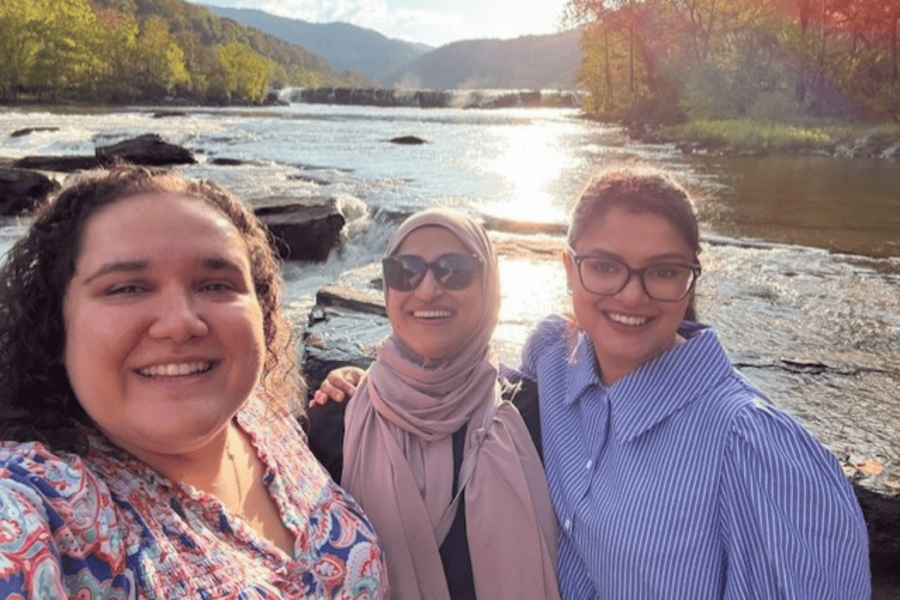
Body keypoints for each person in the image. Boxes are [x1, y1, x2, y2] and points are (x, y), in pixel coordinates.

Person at [0, 164, 387, 599]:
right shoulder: (41, 508)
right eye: (127, 288)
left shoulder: (264, 417)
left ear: (261, 311)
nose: (180, 323)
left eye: (216, 285)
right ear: (56, 324)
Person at [518, 166, 871, 599]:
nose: (632, 295)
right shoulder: (553, 358)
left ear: (689, 280)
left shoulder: (751, 447)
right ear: (568, 269)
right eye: (605, 266)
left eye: (663, 271)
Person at [307, 208, 560, 600]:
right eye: (404, 270)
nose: (426, 290)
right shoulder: (336, 419)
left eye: (454, 270)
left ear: (489, 287)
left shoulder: (535, 415)